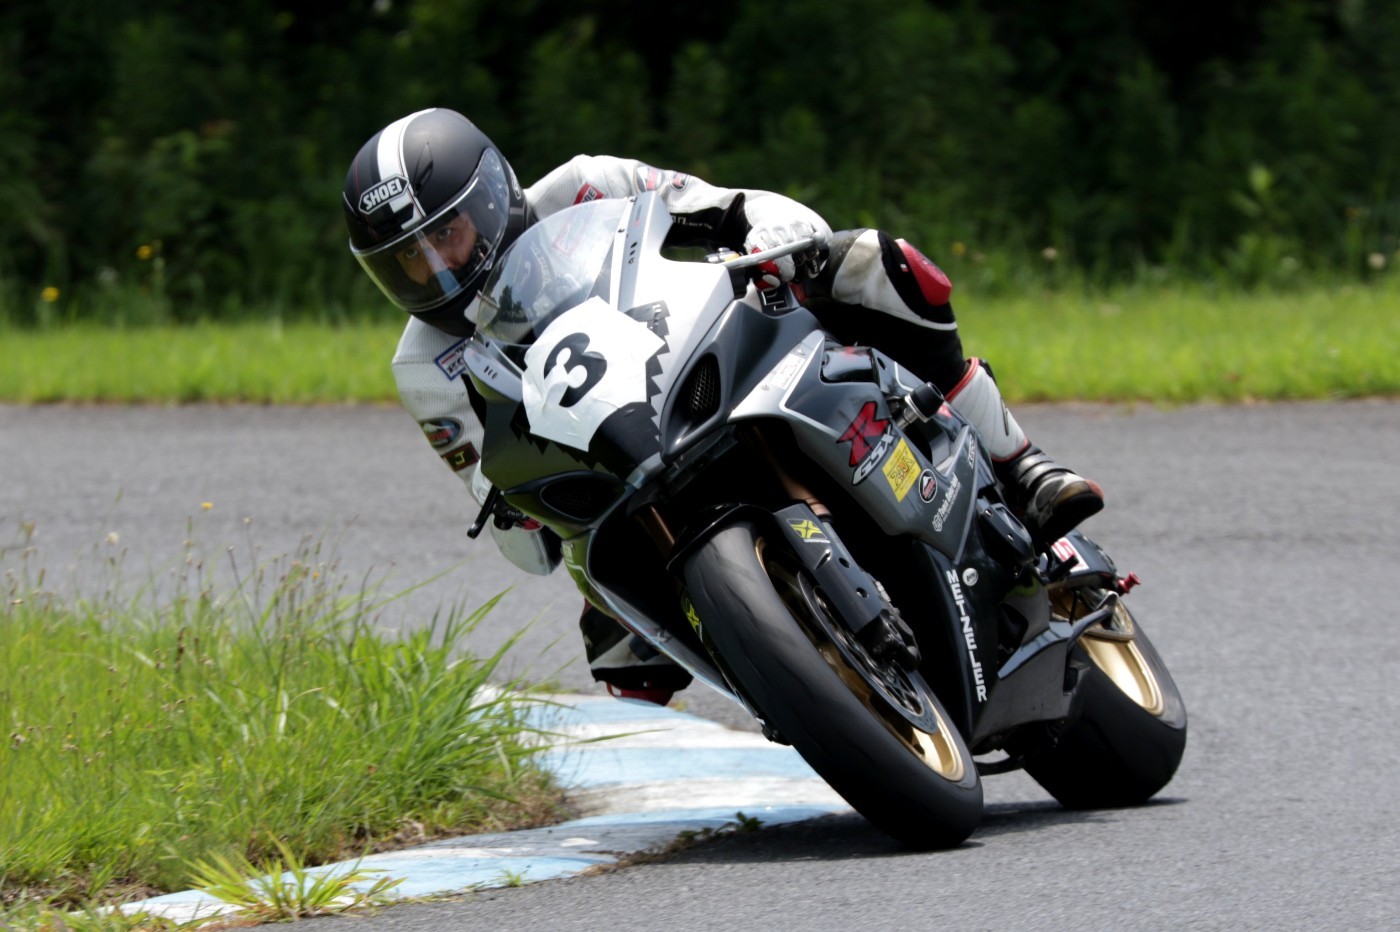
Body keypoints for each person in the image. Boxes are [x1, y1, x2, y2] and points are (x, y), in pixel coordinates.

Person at [342, 107, 1103, 706]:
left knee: (877, 263)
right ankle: (788, 684)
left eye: (447, 236)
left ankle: (1021, 463)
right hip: (611, 472)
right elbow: (511, 521)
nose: (438, 271)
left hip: (702, 356)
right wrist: (515, 512)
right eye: (409, 260)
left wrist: (772, 228)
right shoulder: (424, 366)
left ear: (492, 194)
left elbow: (728, 208)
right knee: (622, 655)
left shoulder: (584, 186)